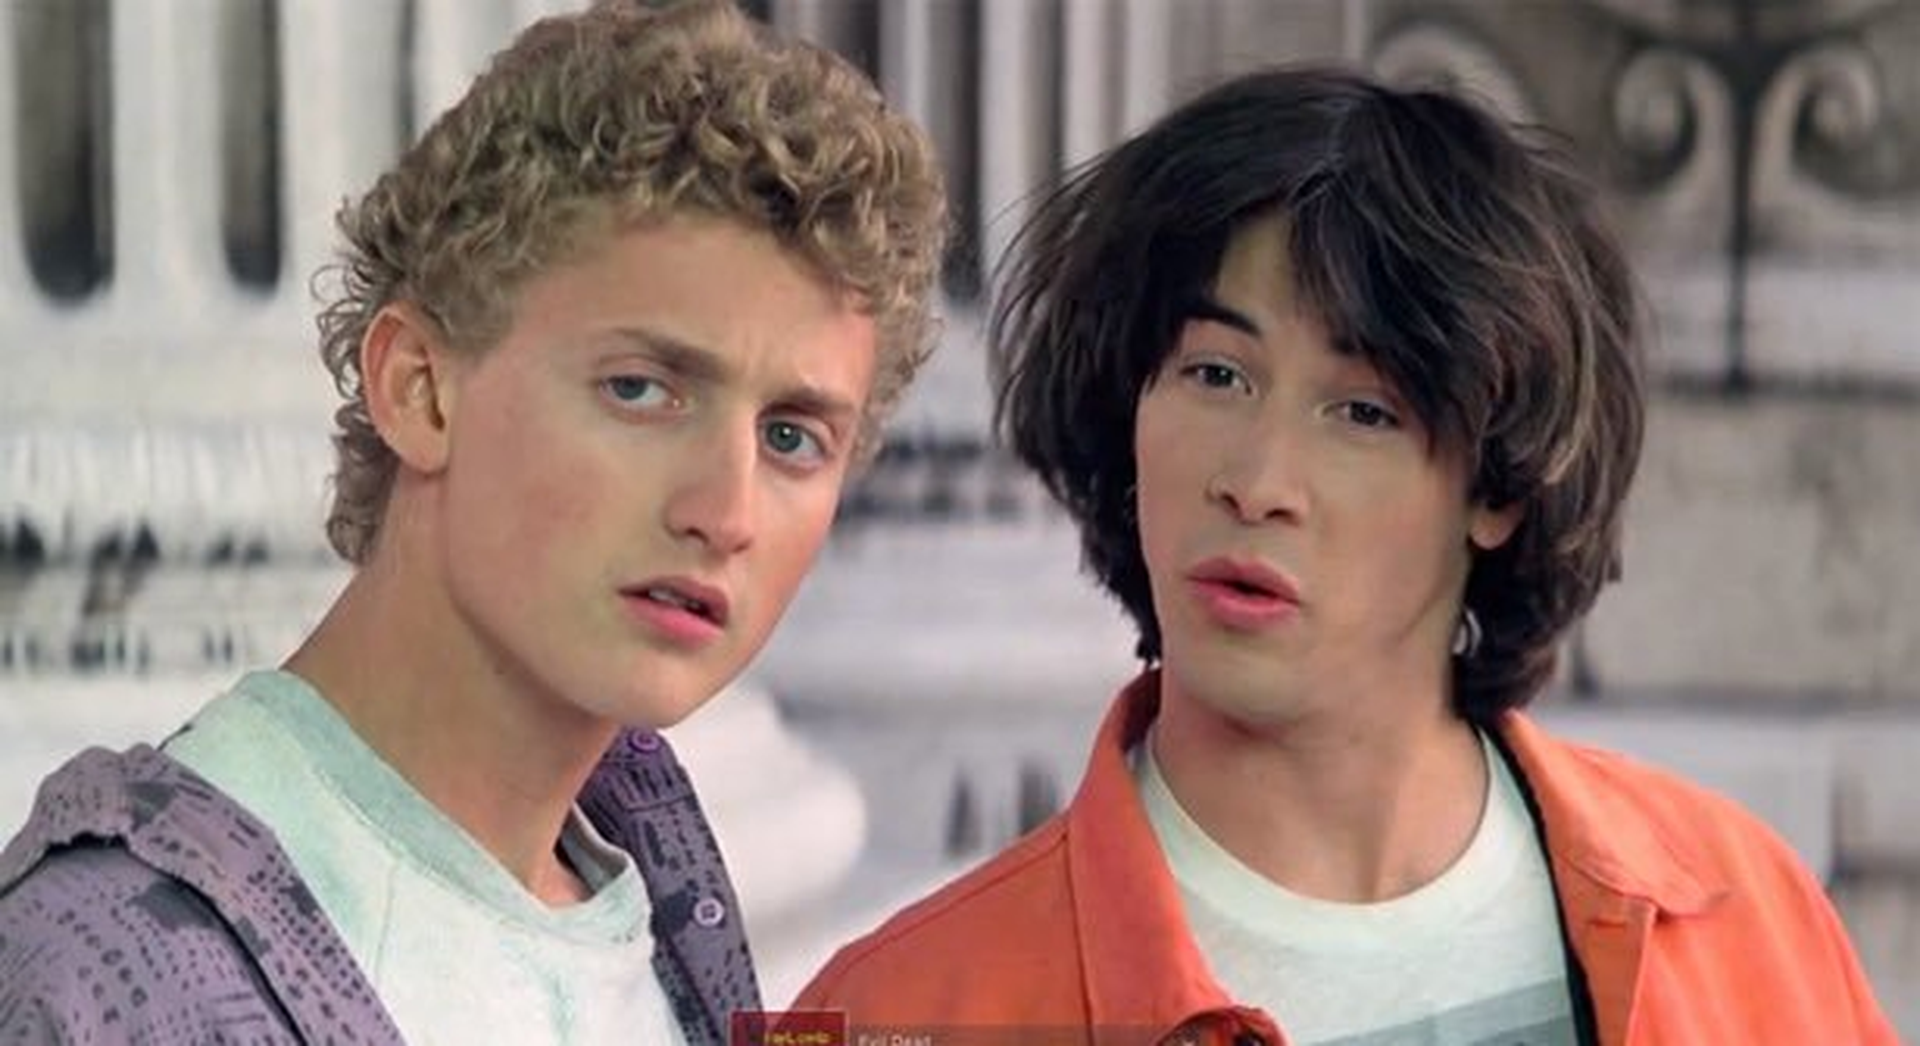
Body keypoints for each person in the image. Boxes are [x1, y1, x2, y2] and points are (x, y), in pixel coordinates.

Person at [794, 66, 1894, 1044]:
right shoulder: (894, 1010)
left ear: (1497, 489)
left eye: (1363, 411)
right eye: (1215, 374)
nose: (1258, 481)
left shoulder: (1742, 914)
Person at [0, 2, 945, 1043]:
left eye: (792, 437)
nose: (725, 513)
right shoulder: (103, 976)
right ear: (420, 390)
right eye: (640, 389)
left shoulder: (660, 884)